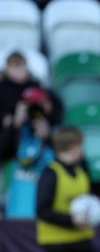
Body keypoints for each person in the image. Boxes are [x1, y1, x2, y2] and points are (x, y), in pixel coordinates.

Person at [4, 87, 55, 218]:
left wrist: (48, 138)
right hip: (16, 212)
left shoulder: (58, 131)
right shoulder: (18, 131)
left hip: (46, 213)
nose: (35, 109)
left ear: (48, 105)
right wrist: (14, 126)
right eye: (30, 105)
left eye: (39, 104)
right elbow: (3, 153)